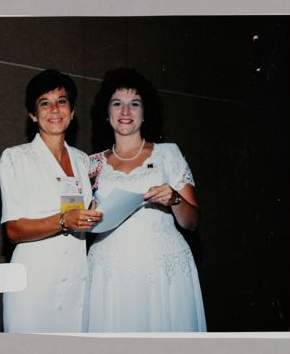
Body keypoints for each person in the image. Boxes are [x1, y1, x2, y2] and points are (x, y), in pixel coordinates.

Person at [85, 68, 206, 332]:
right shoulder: (92, 163)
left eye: (134, 104)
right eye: (117, 103)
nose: (125, 112)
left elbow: (192, 222)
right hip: (111, 273)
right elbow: (83, 219)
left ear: (145, 112)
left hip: (162, 271)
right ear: (107, 113)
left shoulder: (168, 154)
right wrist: (88, 217)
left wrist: (175, 199)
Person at [0, 69, 103, 333]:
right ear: (32, 115)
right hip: (33, 287)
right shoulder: (15, 158)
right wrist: (63, 220)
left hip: (76, 285)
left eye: (62, 101)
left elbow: (83, 218)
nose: (55, 109)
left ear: (73, 110)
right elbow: (13, 230)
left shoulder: (83, 160)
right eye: (45, 103)